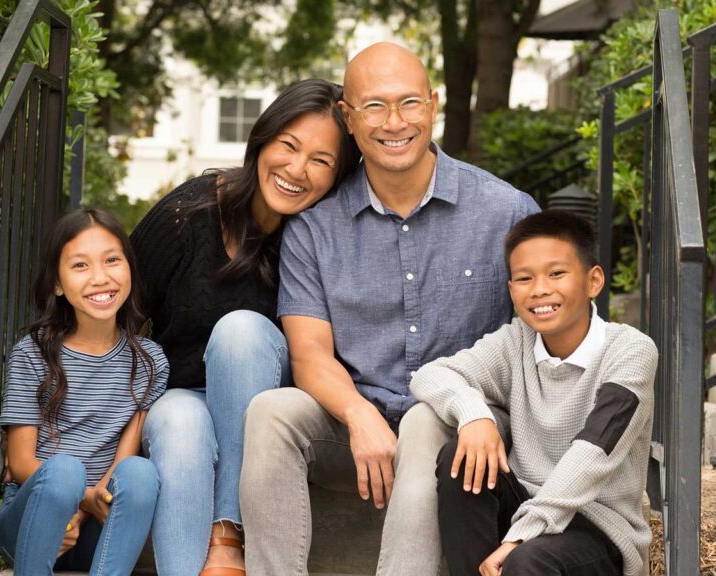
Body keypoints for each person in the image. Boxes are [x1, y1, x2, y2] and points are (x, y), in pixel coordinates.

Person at [240, 42, 540, 575]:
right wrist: (358, 414)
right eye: (374, 106)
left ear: (434, 104)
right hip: (357, 428)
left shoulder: (505, 213)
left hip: (465, 429)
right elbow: (309, 357)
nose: (394, 122)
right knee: (270, 413)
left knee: (427, 418)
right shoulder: (314, 227)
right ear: (348, 118)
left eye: (409, 103)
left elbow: (543, 345)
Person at [130, 78, 361, 575]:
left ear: (339, 174)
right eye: (289, 146)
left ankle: (228, 529)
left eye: (321, 161)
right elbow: (120, 321)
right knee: (177, 423)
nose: (296, 171)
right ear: (263, 139)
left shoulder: (329, 238)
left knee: (241, 331)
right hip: (186, 391)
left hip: (273, 399)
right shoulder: (185, 215)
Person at [410, 210, 658, 576]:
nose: (540, 289)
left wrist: (522, 534)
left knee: (527, 559)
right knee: (458, 457)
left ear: (593, 281)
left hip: (597, 528)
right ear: (512, 291)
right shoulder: (515, 342)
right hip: (525, 505)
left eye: (556, 274)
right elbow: (430, 375)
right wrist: (474, 415)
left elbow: (594, 452)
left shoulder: (630, 351)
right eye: (525, 278)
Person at [0, 208, 168, 575]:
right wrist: (76, 499)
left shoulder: (150, 360)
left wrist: (90, 502)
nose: (100, 278)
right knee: (64, 472)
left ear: (130, 270)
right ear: (57, 283)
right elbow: (21, 461)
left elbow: (123, 460)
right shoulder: (33, 352)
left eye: (111, 260)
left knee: (140, 473)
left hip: (96, 529)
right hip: (32, 524)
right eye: (80, 266)